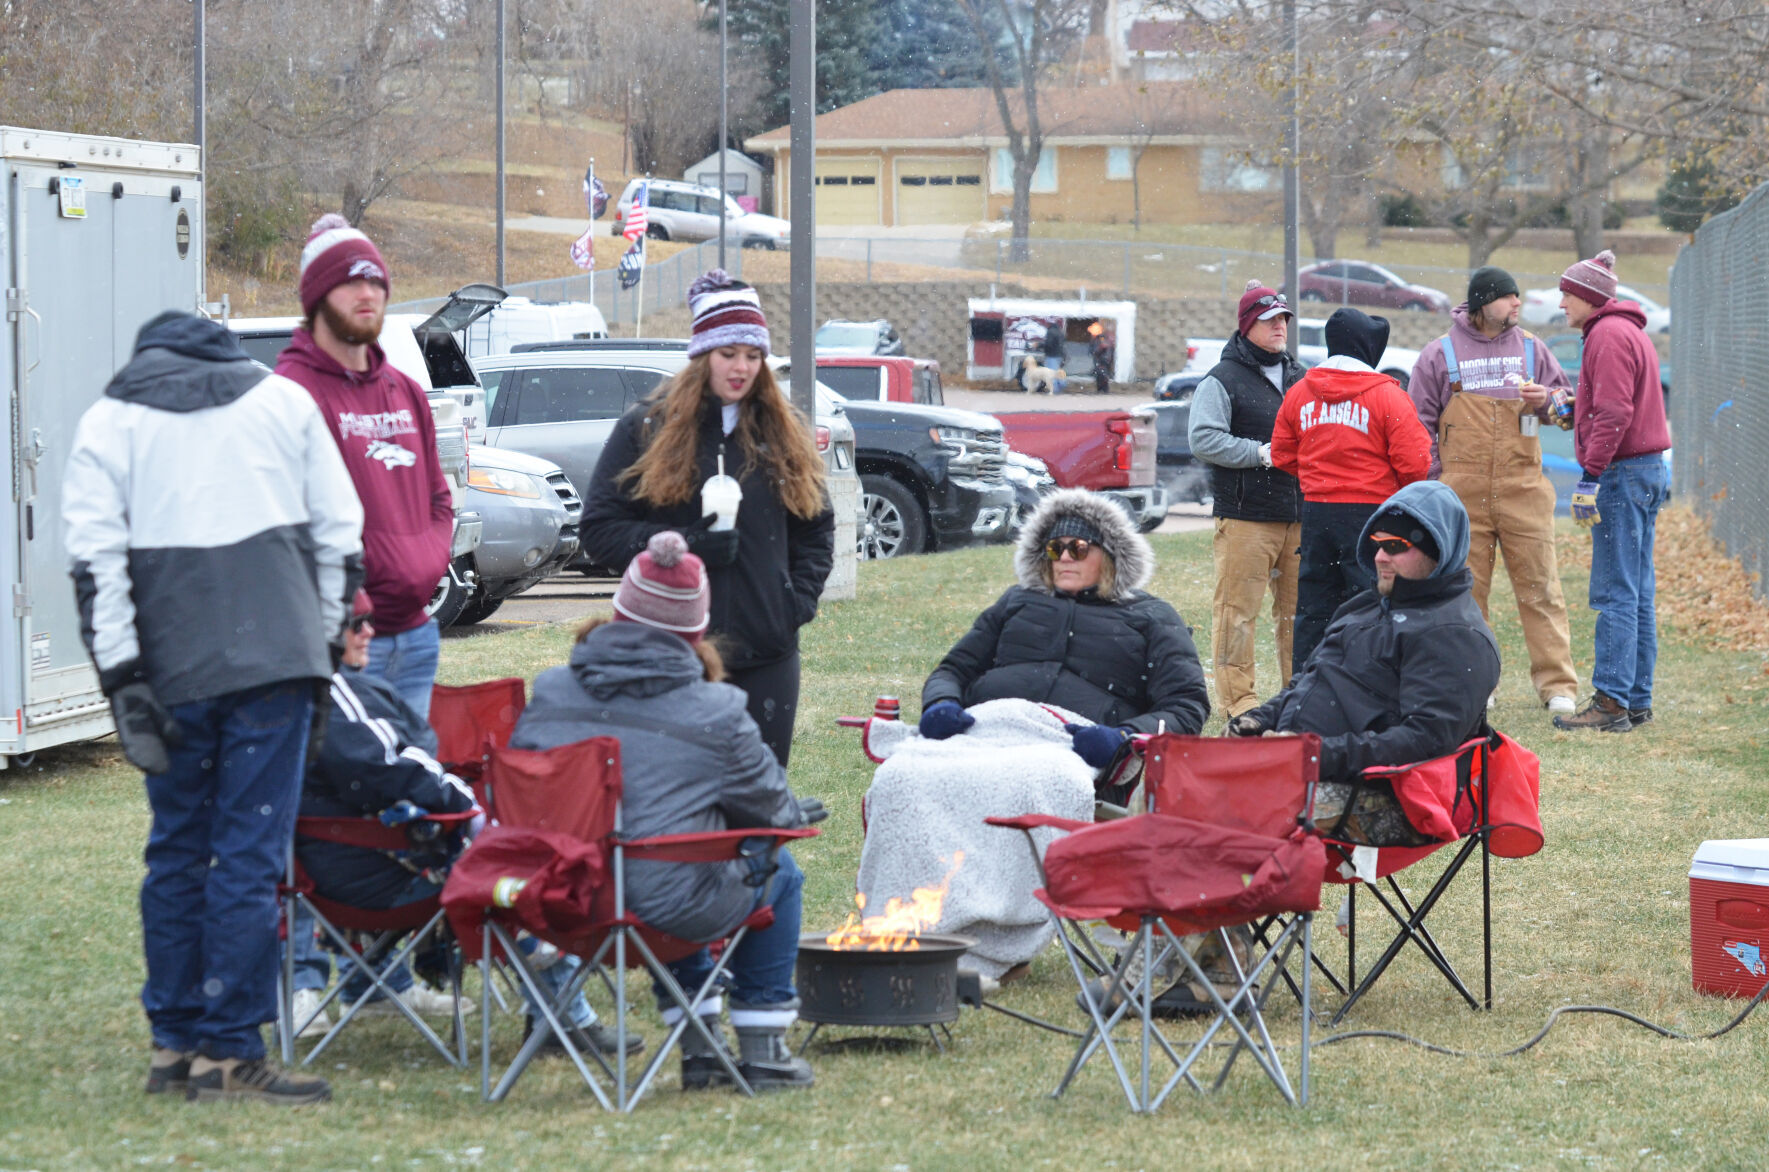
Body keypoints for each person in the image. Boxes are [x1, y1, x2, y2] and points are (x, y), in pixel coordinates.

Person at [63, 310, 363, 1105]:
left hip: (170, 667)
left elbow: (94, 560)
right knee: (248, 855)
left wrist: (120, 675)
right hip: (276, 658)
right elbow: (341, 534)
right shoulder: (284, 403)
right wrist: (326, 647)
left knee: (176, 853)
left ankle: (174, 1044)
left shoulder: (110, 418)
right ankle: (228, 1050)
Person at [510, 531, 823, 1091]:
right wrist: (778, 815)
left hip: (559, 907)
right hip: (664, 915)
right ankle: (763, 1047)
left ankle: (702, 1045)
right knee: (776, 870)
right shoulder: (719, 709)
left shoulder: (553, 691)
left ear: (620, 611)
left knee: (665, 852)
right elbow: (774, 815)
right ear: (695, 631)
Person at [292, 591, 639, 1058]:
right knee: (525, 869)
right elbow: (388, 770)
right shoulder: (332, 696)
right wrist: (469, 812)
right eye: (358, 623)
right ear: (326, 632)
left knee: (511, 852)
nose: (370, 631)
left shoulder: (288, 692)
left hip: (327, 870)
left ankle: (555, 998)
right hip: (373, 880)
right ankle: (562, 1015)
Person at [578, 270, 835, 766]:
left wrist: (793, 604)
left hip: (767, 655)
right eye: (728, 354)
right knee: (678, 799)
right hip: (672, 656)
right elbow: (600, 530)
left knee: (759, 801)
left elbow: (815, 527)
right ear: (702, 356)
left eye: (753, 355)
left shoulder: (783, 436)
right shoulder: (646, 427)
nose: (742, 368)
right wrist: (685, 544)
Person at [1229, 481, 1501, 842]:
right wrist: (1260, 720)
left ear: (1438, 551)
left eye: (1396, 546)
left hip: (1395, 799)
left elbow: (1425, 741)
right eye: (1377, 544)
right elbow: (1311, 680)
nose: (1380, 557)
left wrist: (1315, 755)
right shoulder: (1366, 605)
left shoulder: (1456, 634)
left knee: (1227, 808)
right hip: (1315, 775)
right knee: (1176, 785)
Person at [276, 214, 453, 720]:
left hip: (417, 636)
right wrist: (345, 608)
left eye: (375, 281)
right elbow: (281, 528)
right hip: (340, 645)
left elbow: (438, 498)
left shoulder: (406, 390)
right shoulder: (290, 394)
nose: (367, 293)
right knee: (343, 796)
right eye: (350, 281)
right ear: (316, 296)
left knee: (411, 789)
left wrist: (426, 561)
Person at [920, 488, 1210, 771]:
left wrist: (1124, 736)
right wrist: (941, 703)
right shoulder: (1017, 600)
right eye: (1055, 548)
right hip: (985, 730)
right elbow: (953, 671)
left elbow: (1185, 706)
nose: (1065, 558)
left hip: (1076, 751)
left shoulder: (1152, 616)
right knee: (905, 774)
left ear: (1111, 556)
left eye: (1079, 548)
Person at [1409, 267, 1579, 716]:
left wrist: (1547, 401)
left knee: (1541, 588)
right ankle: (1476, 681)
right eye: (1508, 298)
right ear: (1484, 303)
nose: (1517, 304)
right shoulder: (1438, 355)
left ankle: (1557, 685)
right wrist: (1434, 486)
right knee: (1465, 595)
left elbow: (1569, 413)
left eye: (1518, 297)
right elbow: (1417, 427)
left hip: (1524, 489)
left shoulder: (1531, 349)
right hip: (1459, 497)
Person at [1549, 250, 1671, 733]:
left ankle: (1611, 702)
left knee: (1615, 592)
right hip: (1645, 470)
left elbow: (1617, 413)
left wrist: (1589, 476)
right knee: (1637, 591)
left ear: (1588, 297)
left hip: (1624, 474)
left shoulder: (1607, 335)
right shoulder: (1628, 331)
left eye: (1567, 293)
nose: (1561, 303)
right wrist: (1578, 408)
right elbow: (1618, 404)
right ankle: (1635, 699)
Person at [1271, 307, 1432, 669]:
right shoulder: (1387, 397)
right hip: (1370, 514)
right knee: (1369, 603)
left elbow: (1282, 454)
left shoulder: (1299, 394)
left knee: (1313, 607)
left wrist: (1319, 476)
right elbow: (1416, 463)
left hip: (1315, 513)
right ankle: (1365, 682)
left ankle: (1306, 685)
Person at [1188, 280, 1308, 718]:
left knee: (1300, 618)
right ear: (1247, 327)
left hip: (1299, 516)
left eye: (1283, 318)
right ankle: (1240, 704)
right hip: (1245, 518)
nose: (1280, 326)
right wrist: (1260, 453)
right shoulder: (1221, 380)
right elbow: (1203, 439)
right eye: (1269, 319)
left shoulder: (1302, 376)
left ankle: (1301, 699)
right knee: (1236, 615)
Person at [1089, 323, 1115, 395]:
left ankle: (1104, 390)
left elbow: (1109, 350)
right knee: (1100, 375)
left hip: (1104, 360)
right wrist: (1101, 348)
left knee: (1103, 375)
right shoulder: (1096, 340)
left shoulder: (1103, 339)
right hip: (1100, 360)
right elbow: (1094, 351)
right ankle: (1101, 390)